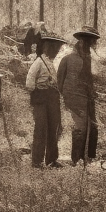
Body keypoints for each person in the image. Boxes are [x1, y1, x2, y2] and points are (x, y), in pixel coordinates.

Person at [57, 26, 100, 165]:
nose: (88, 45)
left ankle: (88, 157)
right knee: (80, 127)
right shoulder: (68, 59)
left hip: (87, 97)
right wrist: (65, 97)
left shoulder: (90, 59)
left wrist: (92, 93)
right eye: (86, 42)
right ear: (80, 41)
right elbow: (60, 80)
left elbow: (91, 79)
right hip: (74, 98)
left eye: (90, 42)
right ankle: (76, 159)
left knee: (92, 126)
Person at [26, 30, 66, 168]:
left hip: (53, 98)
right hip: (41, 99)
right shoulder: (38, 61)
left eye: (57, 48)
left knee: (54, 127)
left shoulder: (51, 62)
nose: (56, 51)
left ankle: (52, 159)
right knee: (41, 128)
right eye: (54, 48)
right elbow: (29, 83)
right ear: (47, 47)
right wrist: (40, 90)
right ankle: (37, 161)